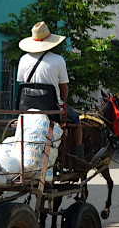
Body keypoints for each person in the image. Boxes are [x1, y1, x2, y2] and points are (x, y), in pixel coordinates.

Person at [17, 21, 83, 161]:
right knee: (76, 119)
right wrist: (62, 102)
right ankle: (78, 160)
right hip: (52, 110)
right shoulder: (58, 60)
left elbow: (23, 85)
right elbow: (63, 89)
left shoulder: (23, 59)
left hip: (26, 109)